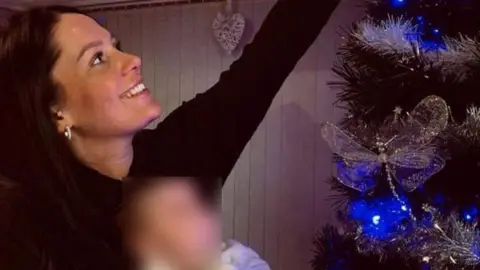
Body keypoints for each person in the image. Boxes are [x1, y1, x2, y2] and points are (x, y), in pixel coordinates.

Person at [0, 0, 339, 269]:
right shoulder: (24, 226)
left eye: (116, 45)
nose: (132, 59)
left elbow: (270, 57)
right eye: (98, 58)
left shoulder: (178, 156)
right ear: (57, 111)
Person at [120, 176, 270, 270]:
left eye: (199, 203)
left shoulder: (236, 255)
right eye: (181, 211)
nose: (202, 216)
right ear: (147, 242)